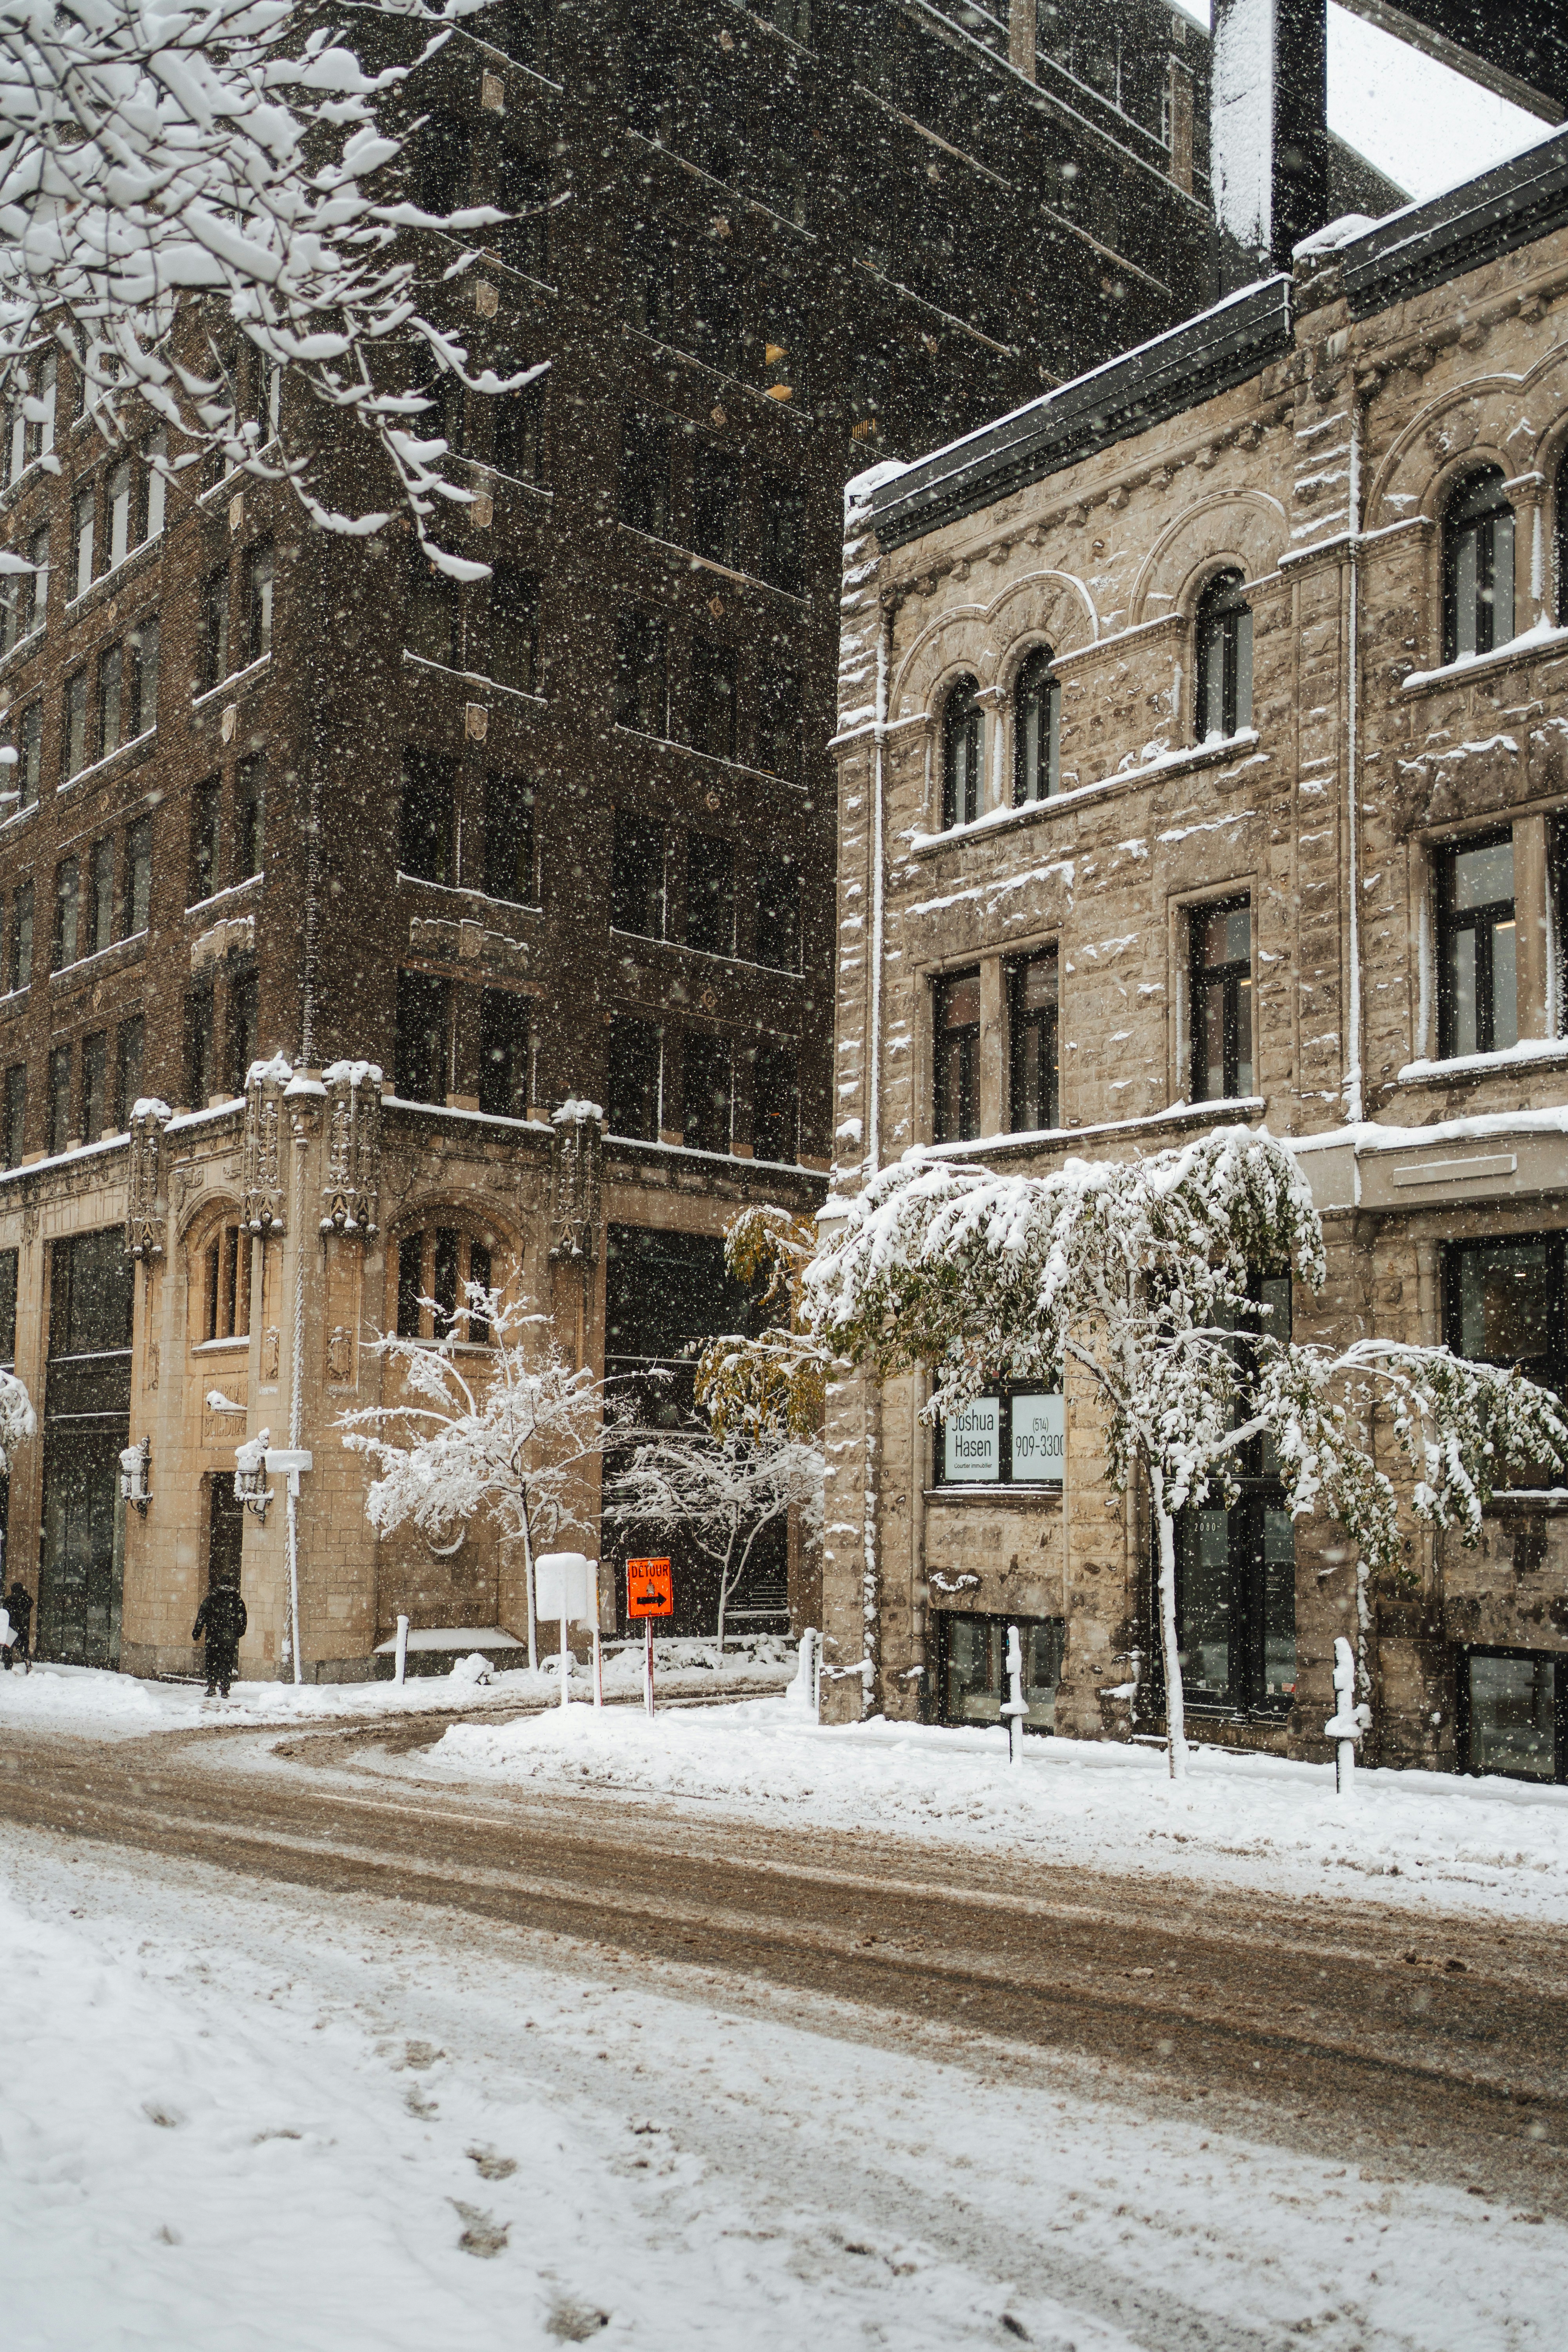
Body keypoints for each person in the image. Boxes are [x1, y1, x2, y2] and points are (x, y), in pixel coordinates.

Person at [192, 1577, 247, 1697]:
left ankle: (212, 1687)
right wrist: (239, 1632)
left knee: (212, 1661)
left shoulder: (212, 1598)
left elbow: (202, 1616)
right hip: (229, 1637)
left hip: (213, 1635)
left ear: (219, 1583)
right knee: (227, 1662)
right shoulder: (236, 1599)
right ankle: (225, 1689)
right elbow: (243, 1617)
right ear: (230, 1583)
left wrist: (197, 1632)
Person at [2, 1579, 32, 1673]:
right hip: (23, 1628)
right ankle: (28, 1662)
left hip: (12, 1628)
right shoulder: (27, 1599)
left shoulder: (9, 1600)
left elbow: (6, 1612)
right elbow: (30, 1604)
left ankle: (8, 1667)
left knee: (8, 1649)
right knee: (24, 1648)